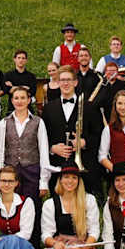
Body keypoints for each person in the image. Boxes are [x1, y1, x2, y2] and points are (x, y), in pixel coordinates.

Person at [0, 86, 51, 204]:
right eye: (16, 98)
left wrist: (43, 181)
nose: (19, 101)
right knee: (12, 206)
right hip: (11, 173)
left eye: (23, 98)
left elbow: (44, 151)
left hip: (32, 172)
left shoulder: (38, 122)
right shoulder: (4, 122)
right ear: (12, 101)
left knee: (32, 206)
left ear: (29, 100)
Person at [40, 66, 86, 194]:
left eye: (69, 80)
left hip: (81, 167)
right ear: (58, 82)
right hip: (57, 166)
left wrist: (83, 143)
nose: (65, 83)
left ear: (75, 82)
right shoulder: (49, 108)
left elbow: (97, 134)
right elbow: (43, 137)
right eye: (62, 80)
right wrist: (52, 148)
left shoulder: (88, 106)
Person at [40, 166, 100, 249]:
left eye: (74, 178)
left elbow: (94, 230)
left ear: (79, 181)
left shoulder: (89, 200)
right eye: (66, 177)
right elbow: (46, 233)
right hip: (61, 246)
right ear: (60, 180)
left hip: (84, 244)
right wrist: (55, 244)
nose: (70, 181)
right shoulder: (50, 204)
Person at [0, 165, 36, 249]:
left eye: (11, 181)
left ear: (16, 183)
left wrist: (3, 240)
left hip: (21, 246)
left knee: (13, 241)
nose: (7, 184)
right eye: (3, 181)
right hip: (2, 247)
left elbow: (26, 233)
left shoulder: (26, 203)